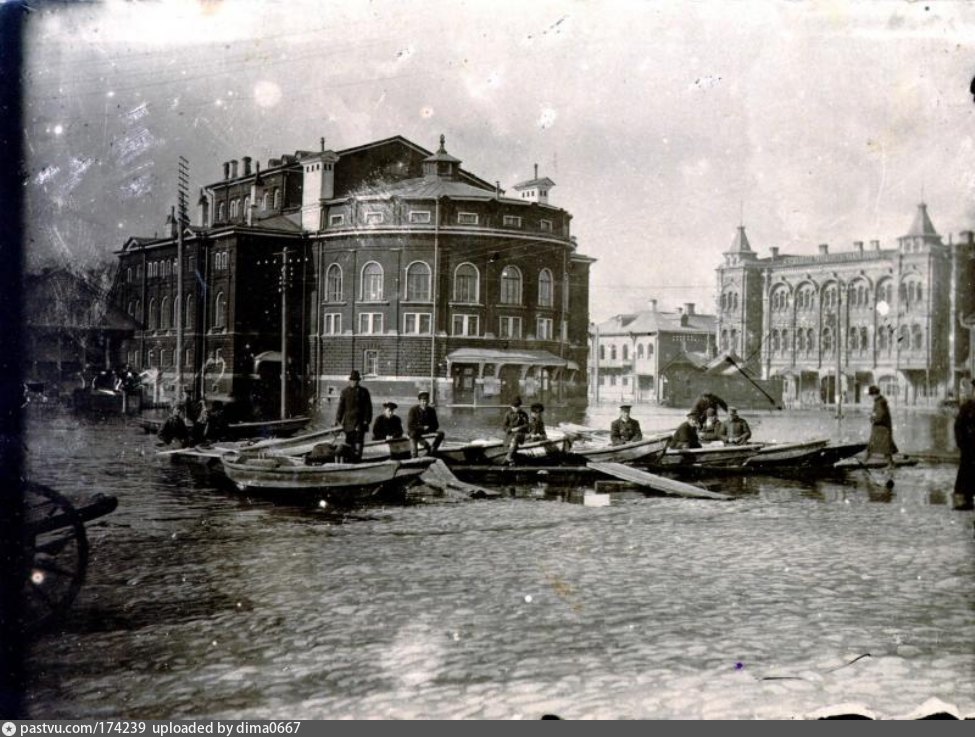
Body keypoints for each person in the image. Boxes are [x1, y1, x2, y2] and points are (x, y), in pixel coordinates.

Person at [335, 370, 372, 461]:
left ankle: (358, 459)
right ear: (350, 381)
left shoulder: (364, 392)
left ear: (358, 381)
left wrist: (367, 420)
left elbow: (368, 408)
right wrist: (338, 421)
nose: (354, 382)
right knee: (349, 442)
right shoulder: (345, 392)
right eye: (352, 380)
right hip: (349, 423)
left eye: (356, 380)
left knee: (359, 443)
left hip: (360, 423)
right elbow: (341, 408)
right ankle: (349, 460)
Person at [953, 379, 975, 511]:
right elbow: (958, 427)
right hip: (969, 447)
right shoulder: (967, 407)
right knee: (967, 474)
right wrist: (962, 443)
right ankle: (967, 500)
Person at [863, 385, 897, 468]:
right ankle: (890, 463)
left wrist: (872, 418)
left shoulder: (880, 402)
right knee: (883, 446)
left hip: (881, 428)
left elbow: (880, 416)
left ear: (874, 394)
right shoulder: (880, 401)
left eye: (871, 395)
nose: (870, 397)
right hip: (882, 428)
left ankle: (865, 462)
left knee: (875, 446)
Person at [407, 391, 444, 458]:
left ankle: (432, 450)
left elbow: (436, 425)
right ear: (419, 402)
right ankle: (414, 454)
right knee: (412, 434)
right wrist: (422, 427)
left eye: (426, 401)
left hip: (427, 430)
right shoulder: (413, 410)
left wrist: (429, 428)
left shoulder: (431, 410)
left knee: (441, 434)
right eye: (423, 401)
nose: (425, 403)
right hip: (416, 431)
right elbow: (410, 425)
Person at [502, 396, 530, 464]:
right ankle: (510, 458)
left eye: (518, 407)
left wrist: (519, 428)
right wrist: (511, 430)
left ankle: (508, 457)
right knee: (511, 440)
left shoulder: (523, 414)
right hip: (511, 434)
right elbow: (504, 427)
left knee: (516, 437)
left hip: (521, 434)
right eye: (515, 407)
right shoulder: (508, 414)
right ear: (511, 406)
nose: (516, 408)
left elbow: (527, 425)